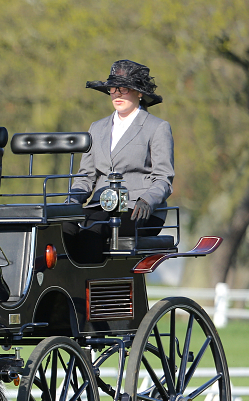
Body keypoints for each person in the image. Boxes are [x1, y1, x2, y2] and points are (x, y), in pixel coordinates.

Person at [64, 59, 174, 263]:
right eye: (113, 89)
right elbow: (86, 176)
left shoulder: (157, 128)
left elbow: (163, 179)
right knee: (64, 226)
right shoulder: (96, 128)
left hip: (138, 208)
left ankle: (94, 287)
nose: (116, 94)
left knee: (94, 229)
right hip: (100, 206)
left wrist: (147, 200)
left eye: (123, 89)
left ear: (139, 92)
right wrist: (71, 202)